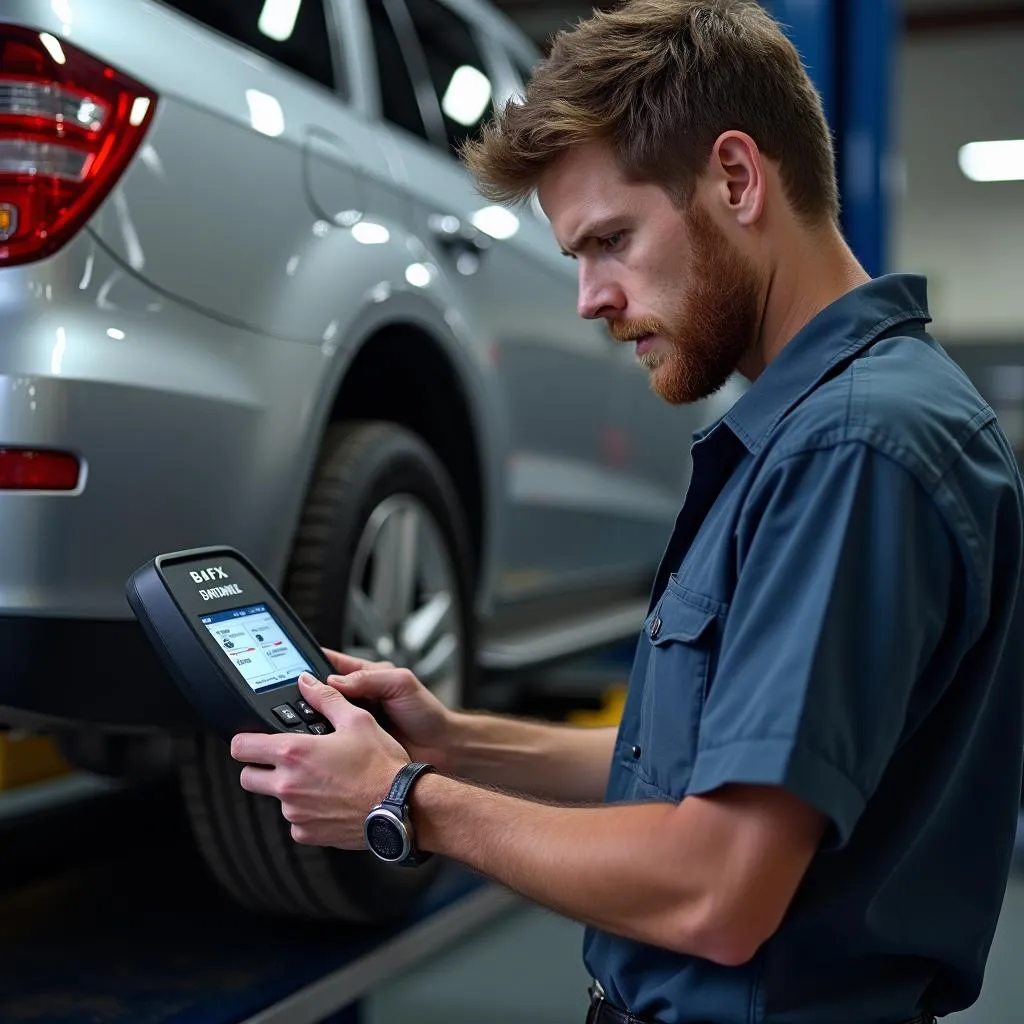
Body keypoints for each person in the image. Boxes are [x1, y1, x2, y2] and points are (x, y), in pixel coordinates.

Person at [230, 1, 1024, 1021]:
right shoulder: (825, 427)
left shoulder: (852, 447)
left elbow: (717, 885)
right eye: (575, 257)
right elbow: (704, 763)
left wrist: (403, 804)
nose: (589, 298)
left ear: (737, 179)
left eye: (611, 239)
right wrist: (452, 742)